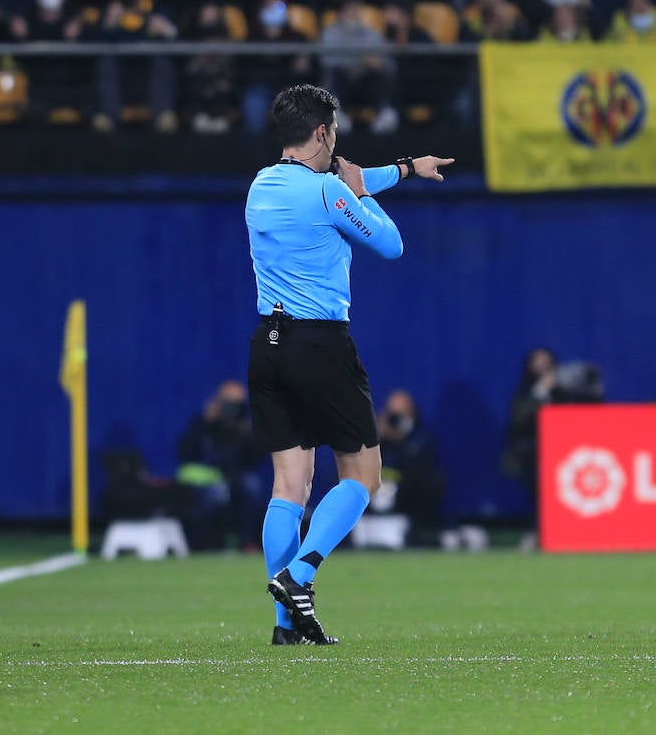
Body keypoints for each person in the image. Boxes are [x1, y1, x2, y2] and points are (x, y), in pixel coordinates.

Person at [247, 83, 452, 646]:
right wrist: (367, 194)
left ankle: (287, 624)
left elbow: (341, 188)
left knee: (288, 487)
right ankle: (300, 574)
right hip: (320, 346)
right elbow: (389, 244)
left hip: (267, 344)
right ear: (323, 133)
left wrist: (406, 169)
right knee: (363, 477)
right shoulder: (329, 196)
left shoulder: (261, 185)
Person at [501, 348, 604, 523]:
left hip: (570, 454)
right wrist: (541, 390)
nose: (543, 368)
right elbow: (519, 418)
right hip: (531, 455)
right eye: (537, 363)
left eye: (546, 363)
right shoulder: (524, 394)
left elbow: (593, 415)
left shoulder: (566, 393)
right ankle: (542, 526)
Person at [175, 381, 264, 551]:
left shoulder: (246, 426)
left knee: (251, 487)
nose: (231, 409)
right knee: (211, 496)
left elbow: (256, 458)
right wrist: (205, 422)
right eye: (228, 403)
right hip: (208, 478)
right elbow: (186, 452)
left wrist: (246, 431)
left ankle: (247, 542)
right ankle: (205, 546)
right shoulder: (203, 424)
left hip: (238, 475)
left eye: (237, 404)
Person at [93, 0, 179, 132]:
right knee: (106, 61)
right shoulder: (109, 13)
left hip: (149, 77)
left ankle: (163, 116)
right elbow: (92, 45)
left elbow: (178, 40)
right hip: (120, 78)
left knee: (161, 60)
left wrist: (168, 31)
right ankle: (107, 117)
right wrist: (108, 26)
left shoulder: (158, 10)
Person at [373, 389, 446, 542]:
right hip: (370, 518)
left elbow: (421, 477)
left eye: (401, 415)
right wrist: (375, 439)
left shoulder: (421, 442)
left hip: (409, 516)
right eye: (392, 416)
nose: (396, 421)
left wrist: (402, 440)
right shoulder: (376, 444)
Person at [21, 0, 91, 126]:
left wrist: (79, 37)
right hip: (39, 89)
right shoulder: (25, 23)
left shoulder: (78, 22)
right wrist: (20, 37)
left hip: (74, 89)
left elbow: (90, 62)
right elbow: (19, 61)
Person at [320, 0, 398, 134]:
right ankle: (337, 113)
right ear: (340, 15)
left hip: (365, 80)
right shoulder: (330, 34)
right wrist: (361, 60)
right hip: (343, 81)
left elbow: (388, 62)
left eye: (355, 12)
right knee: (336, 74)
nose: (353, 15)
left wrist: (379, 63)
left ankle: (384, 112)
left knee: (380, 75)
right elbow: (329, 61)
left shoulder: (371, 34)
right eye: (349, 12)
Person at [243, 0, 315, 134]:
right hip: (260, 87)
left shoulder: (297, 37)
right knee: (253, 104)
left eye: (278, 7)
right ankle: (257, 154)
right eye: (268, 7)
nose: (273, 11)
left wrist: (304, 60)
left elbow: (306, 68)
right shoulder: (252, 36)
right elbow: (245, 69)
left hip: (290, 87)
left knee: (301, 106)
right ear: (261, 11)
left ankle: (295, 154)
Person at [183, 3, 238, 133]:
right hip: (197, 103)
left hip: (221, 103)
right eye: (206, 17)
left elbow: (230, 77)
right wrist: (200, 59)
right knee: (200, 123)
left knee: (220, 126)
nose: (209, 21)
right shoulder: (190, 41)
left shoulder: (227, 43)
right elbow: (188, 74)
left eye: (213, 17)